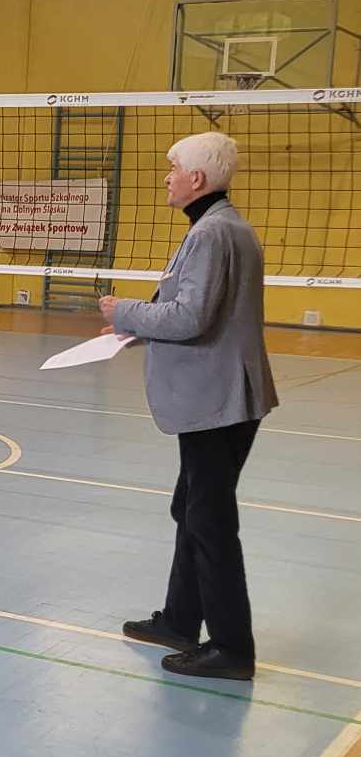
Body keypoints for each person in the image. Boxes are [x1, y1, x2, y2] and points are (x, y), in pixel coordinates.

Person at [102, 133, 277, 682]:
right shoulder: (224, 226)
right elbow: (203, 313)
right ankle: (181, 621)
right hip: (221, 394)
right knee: (192, 508)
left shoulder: (213, 233)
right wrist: (137, 330)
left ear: (196, 179)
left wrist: (125, 311)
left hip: (218, 399)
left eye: (173, 167)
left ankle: (232, 648)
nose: (167, 176)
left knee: (210, 519)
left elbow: (189, 317)